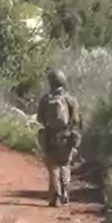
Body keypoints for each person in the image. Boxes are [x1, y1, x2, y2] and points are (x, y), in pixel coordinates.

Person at [36, 68, 82, 206]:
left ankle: (55, 194)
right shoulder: (70, 99)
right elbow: (76, 120)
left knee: (53, 166)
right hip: (66, 137)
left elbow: (40, 119)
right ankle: (65, 192)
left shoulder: (45, 99)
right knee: (65, 165)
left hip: (50, 136)